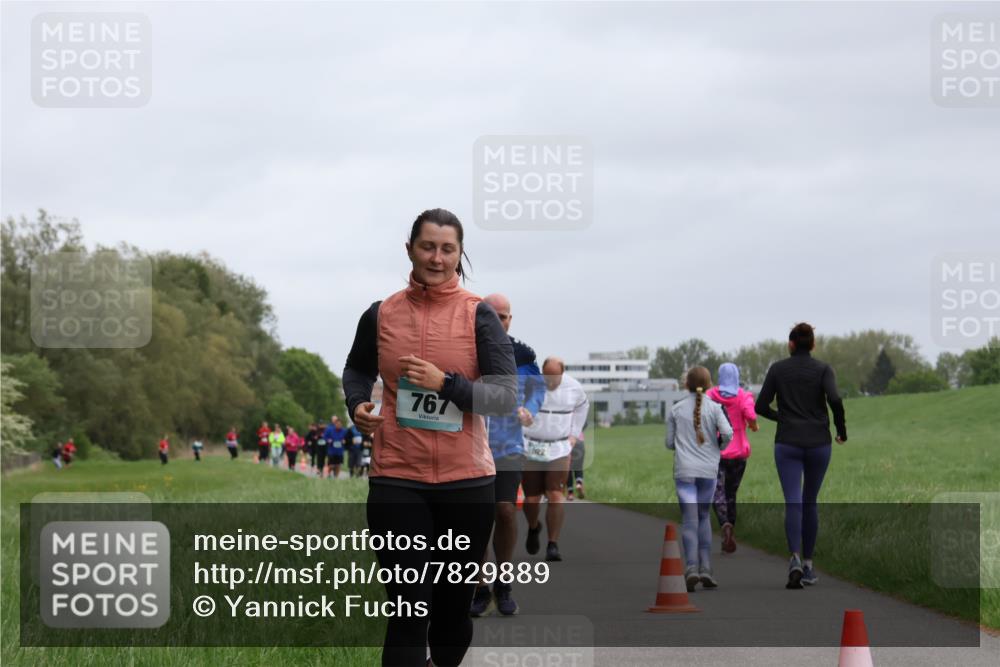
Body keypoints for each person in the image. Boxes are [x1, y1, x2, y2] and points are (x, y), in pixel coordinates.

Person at [342, 208, 516, 666]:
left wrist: (447, 384)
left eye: (447, 249)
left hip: (466, 481)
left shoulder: (479, 315)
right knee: (407, 609)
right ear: (410, 249)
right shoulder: (381, 314)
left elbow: (502, 396)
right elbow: (356, 368)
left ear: (459, 255)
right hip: (397, 476)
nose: (436, 258)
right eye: (427, 247)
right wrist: (358, 403)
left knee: (450, 613)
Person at [755, 322, 847, 589]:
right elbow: (836, 400)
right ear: (813, 345)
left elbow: (761, 406)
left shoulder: (778, 369)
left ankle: (793, 558)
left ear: (790, 344)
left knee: (793, 501)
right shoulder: (823, 370)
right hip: (819, 442)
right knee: (810, 502)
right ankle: (808, 566)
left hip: (788, 442)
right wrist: (841, 430)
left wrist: (781, 417)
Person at [470, 292, 545, 618]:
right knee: (475, 522)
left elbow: (538, 389)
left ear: (510, 320)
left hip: (507, 447)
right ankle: (480, 587)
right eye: (493, 315)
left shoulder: (523, 353)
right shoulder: (464, 347)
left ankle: (504, 582)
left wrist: (529, 410)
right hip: (469, 447)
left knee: (503, 511)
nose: (500, 321)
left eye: (505, 316)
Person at [666, 366, 733, 592]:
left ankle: (691, 568)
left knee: (689, 520)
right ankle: (706, 568)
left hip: (685, 471)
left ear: (686, 384)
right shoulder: (715, 408)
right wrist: (718, 448)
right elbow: (728, 433)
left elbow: (668, 443)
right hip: (708, 470)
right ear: (709, 384)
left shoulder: (675, 410)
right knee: (704, 517)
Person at [522, 357, 589, 563]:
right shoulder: (531, 385)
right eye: (547, 376)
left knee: (554, 494)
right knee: (532, 499)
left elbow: (583, 407)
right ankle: (534, 527)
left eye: (555, 377)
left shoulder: (574, 388)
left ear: (562, 373)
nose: (551, 381)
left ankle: (553, 544)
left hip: (559, 447)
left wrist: (574, 434)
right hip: (532, 445)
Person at [707, 363, 758, 553]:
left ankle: (725, 524)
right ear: (737, 377)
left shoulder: (710, 395)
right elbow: (751, 415)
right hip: (738, 454)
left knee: (716, 492)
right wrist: (753, 425)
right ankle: (731, 532)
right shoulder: (744, 396)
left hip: (716, 452)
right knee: (731, 494)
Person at [566, 429, 586, 501]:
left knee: (568, 468)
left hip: (567, 442)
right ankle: (579, 483)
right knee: (578, 466)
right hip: (579, 441)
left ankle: (570, 493)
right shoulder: (579, 417)